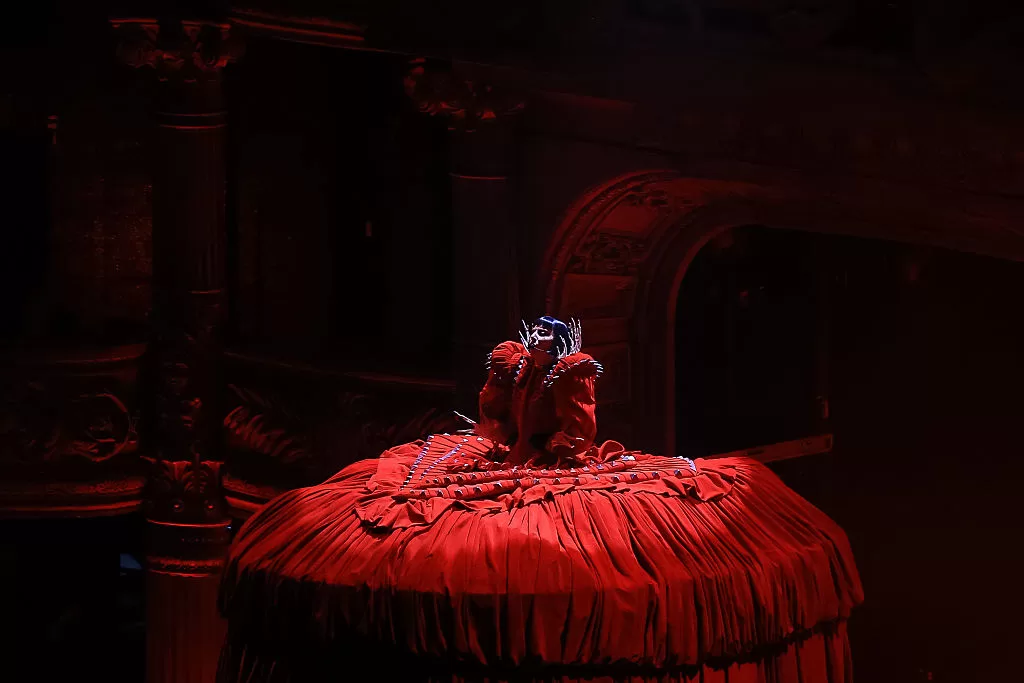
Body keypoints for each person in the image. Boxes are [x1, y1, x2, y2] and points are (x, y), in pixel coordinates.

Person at [218, 316, 863, 683]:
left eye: (537, 355)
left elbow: (571, 424)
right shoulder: (516, 372)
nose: (530, 358)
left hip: (551, 459)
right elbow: (496, 416)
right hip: (503, 456)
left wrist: (549, 439)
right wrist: (501, 435)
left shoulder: (569, 377)